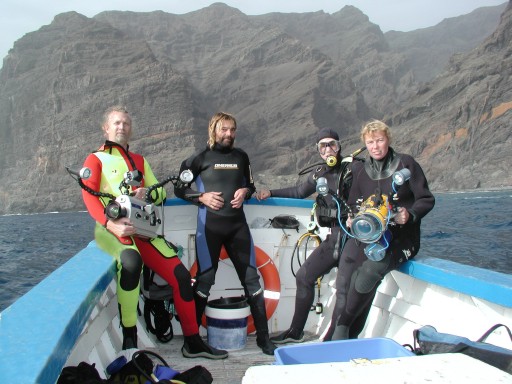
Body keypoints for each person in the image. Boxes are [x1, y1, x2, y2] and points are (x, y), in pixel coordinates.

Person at [81, 106, 228, 359]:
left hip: (143, 231)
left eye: (126, 123)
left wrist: (146, 192)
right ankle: (129, 338)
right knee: (131, 262)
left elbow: (159, 193)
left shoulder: (140, 160)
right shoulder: (95, 159)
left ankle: (192, 342)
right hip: (112, 230)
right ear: (106, 128)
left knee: (181, 276)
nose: (122, 127)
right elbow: (89, 195)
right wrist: (110, 224)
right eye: (116, 123)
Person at [174, 112, 276, 355]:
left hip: (237, 227)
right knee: (205, 281)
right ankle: (192, 342)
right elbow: (179, 188)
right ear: (213, 130)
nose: (229, 134)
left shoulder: (241, 157)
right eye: (224, 129)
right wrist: (201, 197)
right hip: (210, 227)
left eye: (232, 130)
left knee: (252, 280)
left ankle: (264, 338)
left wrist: (245, 192)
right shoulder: (199, 158)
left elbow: (250, 185)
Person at [324, 119, 435, 341]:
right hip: (368, 235)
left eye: (380, 140)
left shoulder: (406, 164)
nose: (375, 146)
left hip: (401, 238)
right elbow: (354, 203)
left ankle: (342, 329)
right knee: (349, 278)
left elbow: (426, 199)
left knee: (369, 272)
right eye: (370, 142)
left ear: (388, 140)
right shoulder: (361, 170)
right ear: (365, 144)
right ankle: (342, 336)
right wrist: (351, 219)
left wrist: (409, 214)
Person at [256, 128, 356, 344]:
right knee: (304, 276)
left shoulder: (354, 169)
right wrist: (270, 192)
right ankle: (295, 332)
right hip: (334, 237)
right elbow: (299, 192)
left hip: (354, 240)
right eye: (323, 146)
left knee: (343, 288)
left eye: (332, 145)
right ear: (318, 151)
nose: (328, 150)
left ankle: (333, 339)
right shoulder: (319, 173)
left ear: (340, 146)